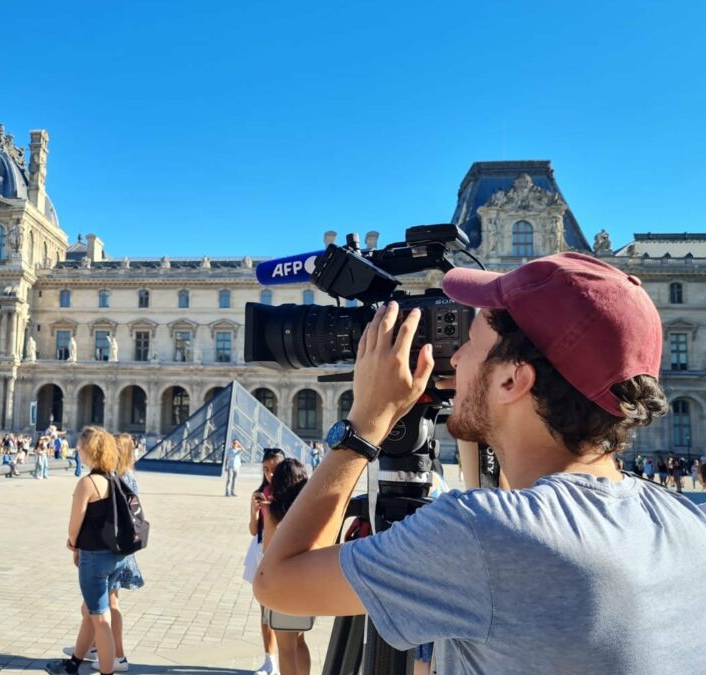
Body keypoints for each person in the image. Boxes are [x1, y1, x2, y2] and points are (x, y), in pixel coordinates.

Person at [255, 253, 706, 673]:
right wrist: (478, 405)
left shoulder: (480, 533)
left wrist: (366, 422)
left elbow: (277, 583)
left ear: (512, 379)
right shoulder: (688, 523)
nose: (455, 356)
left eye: (469, 341)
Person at [46, 427, 126, 675]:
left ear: (89, 451)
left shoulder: (88, 483)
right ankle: (73, 664)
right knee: (92, 612)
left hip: (94, 558)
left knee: (100, 618)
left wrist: (72, 543)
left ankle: (107, 670)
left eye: (80, 447)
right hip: (116, 557)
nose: (77, 450)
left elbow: (74, 528)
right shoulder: (115, 480)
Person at [262, 459, 311, 675]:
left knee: (285, 648)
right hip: (305, 583)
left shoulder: (274, 511)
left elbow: (267, 550)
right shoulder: (311, 511)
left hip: (281, 584)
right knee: (300, 640)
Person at [248, 448, 284, 675]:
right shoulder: (260, 492)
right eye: (265, 469)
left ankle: (283, 655)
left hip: (281, 553)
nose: (270, 474)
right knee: (264, 612)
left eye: (274, 469)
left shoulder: (289, 494)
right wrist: (254, 511)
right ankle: (269, 660)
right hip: (260, 551)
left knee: (280, 611)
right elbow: (253, 530)